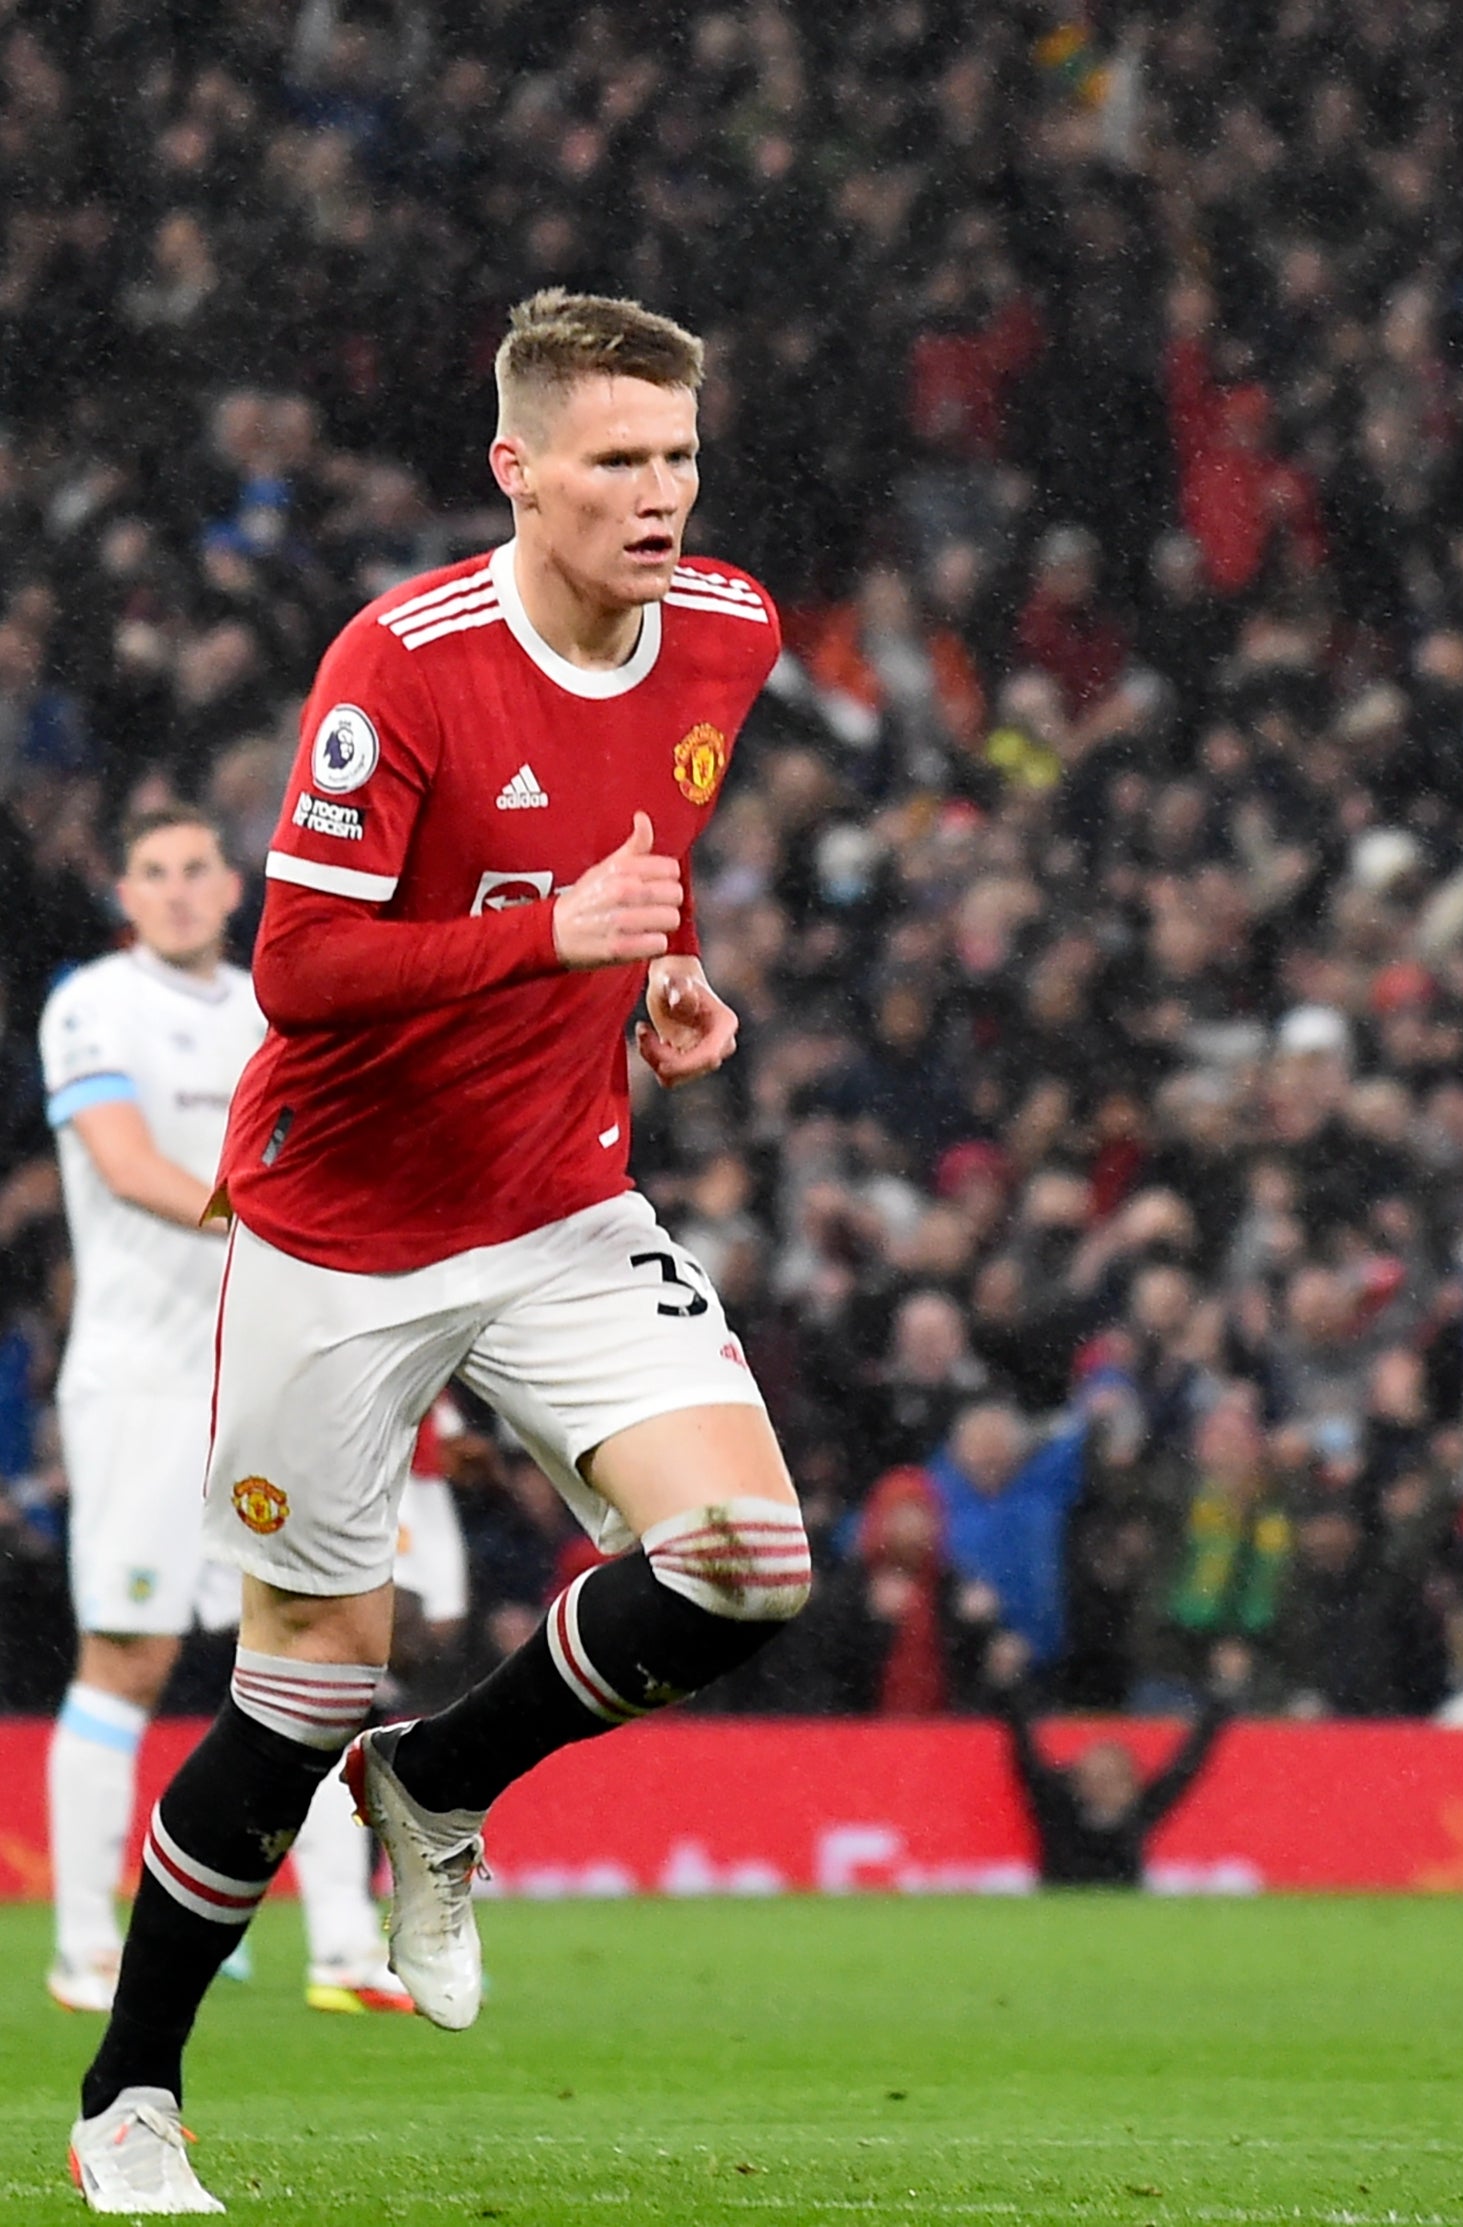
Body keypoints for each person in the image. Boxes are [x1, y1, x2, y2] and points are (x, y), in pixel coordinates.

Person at [67, 291, 809, 2215]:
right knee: (296, 1690)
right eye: (618, 462)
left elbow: (644, 842)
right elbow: (301, 974)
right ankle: (129, 2095)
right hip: (343, 1224)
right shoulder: (399, 665)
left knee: (747, 1562)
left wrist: (662, 968)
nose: (661, 496)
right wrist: (553, 936)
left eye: (680, 458)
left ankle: (446, 1784)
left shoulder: (728, 631)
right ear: (519, 469)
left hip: (561, 1198)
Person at [38, 805, 412, 2022]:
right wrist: (280, 1214)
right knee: (131, 1653)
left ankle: (343, 1945)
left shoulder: (274, 1004)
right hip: (144, 1379)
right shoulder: (92, 1002)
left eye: (198, 867)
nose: (181, 889)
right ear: (127, 893)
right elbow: (127, 1161)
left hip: (268, 1366)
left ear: (230, 883)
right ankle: (87, 1944)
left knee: (304, 1652)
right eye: (153, 870)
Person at [987, 1631, 1240, 1887]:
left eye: (1112, 1779)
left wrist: (1222, 1695)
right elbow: (1023, 1753)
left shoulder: (1140, 1811)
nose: (1103, 1787)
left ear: (1131, 1783)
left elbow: (1188, 1764)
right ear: (1076, 1780)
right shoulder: (1057, 1810)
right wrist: (1008, 1685)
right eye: (1095, 1777)